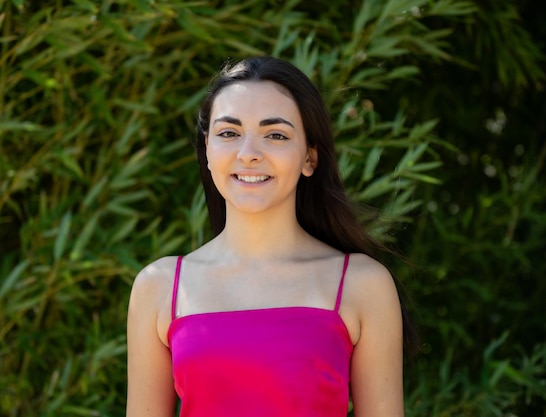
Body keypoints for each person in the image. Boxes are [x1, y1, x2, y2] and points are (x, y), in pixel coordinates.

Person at [127, 56, 415, 417]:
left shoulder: (362, 284)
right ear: (207, 152)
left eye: (275, 135)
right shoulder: (160, 286)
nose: (248, 154)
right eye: (229, 133)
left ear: (310, 158)